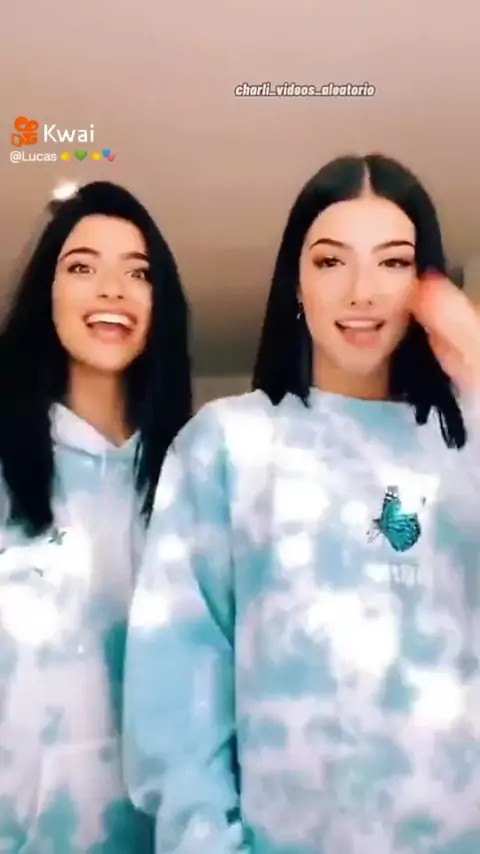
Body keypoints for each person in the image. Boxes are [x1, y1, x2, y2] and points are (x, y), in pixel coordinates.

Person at [123, 154, 480, 854]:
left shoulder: (466, 445)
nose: (362, 292)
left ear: (426, 284)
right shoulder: (228, 446)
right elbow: (178, 692)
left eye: (393, 262)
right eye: (331, 261)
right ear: (296, 279)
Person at [0, 181, 192, 852]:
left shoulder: (195, 481)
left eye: (137, 273)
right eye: (83, 267)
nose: (113, 290)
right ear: (47, 294)